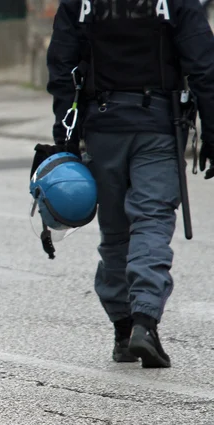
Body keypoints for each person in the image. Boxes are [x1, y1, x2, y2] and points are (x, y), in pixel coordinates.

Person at [39, 0, 214, 368]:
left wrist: (65, 136)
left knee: (117, 231)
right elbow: (204, 67)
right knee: (151, 220)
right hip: (158, 127)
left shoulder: (82, 3)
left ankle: (123, 328)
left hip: (102, 128)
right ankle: (144, 323)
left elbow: (61, 67)